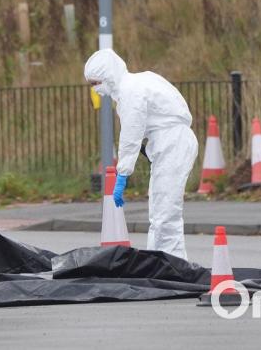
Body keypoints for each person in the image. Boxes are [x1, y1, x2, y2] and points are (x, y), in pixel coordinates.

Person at [84, 49, 198, 260]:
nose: (95, 89)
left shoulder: (130, 91)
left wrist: (123, 173)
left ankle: (172, 265)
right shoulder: (141, 80)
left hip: (172, 144)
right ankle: (160, 261)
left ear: (107, 76)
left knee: (165, 212)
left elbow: (131, 132)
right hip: (171, 142)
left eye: (95, 83)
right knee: (159, 210)